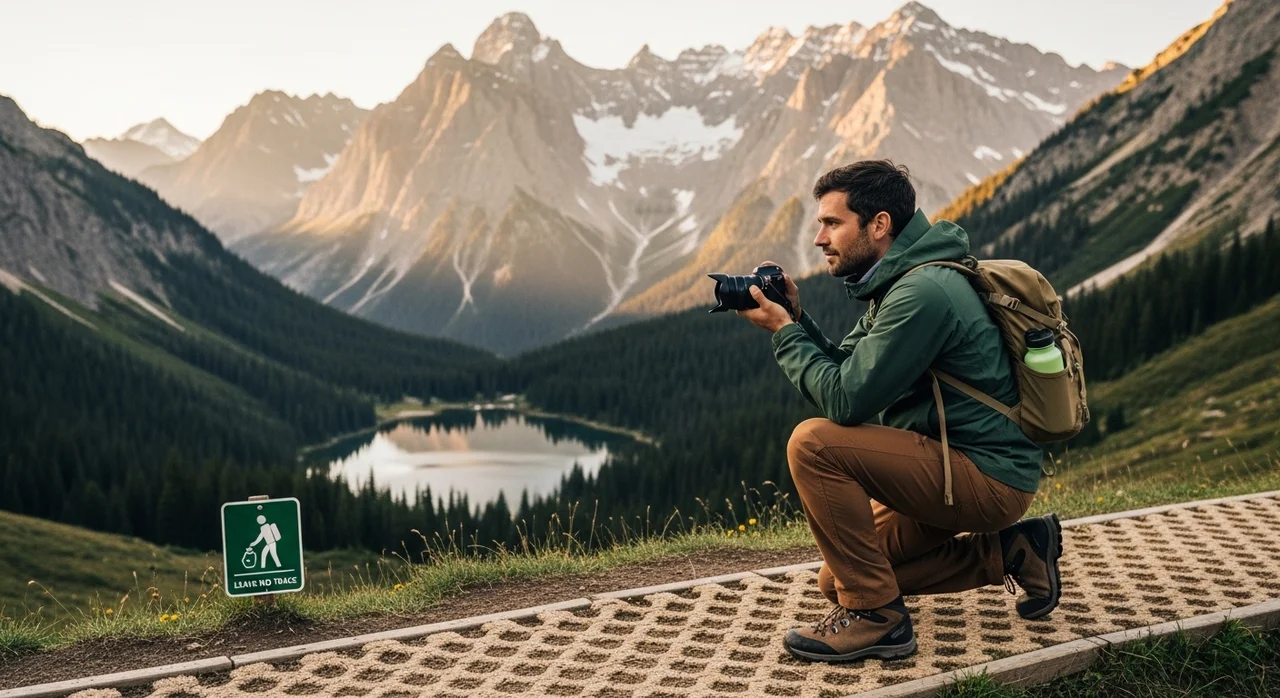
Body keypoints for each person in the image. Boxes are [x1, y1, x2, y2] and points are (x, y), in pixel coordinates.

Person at [736, 160, 1062, 663]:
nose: (819, 238)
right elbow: (849, 366)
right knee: (837, 579)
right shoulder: (903, 279)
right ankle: (1013, 552)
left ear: (879, 224)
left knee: (813, 443)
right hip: (955, 465)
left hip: (983, 477)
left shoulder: (922, 291)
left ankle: (879, 620)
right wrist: (797, 319)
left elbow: (845, 401)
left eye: (831, 223)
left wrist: (783, 336)